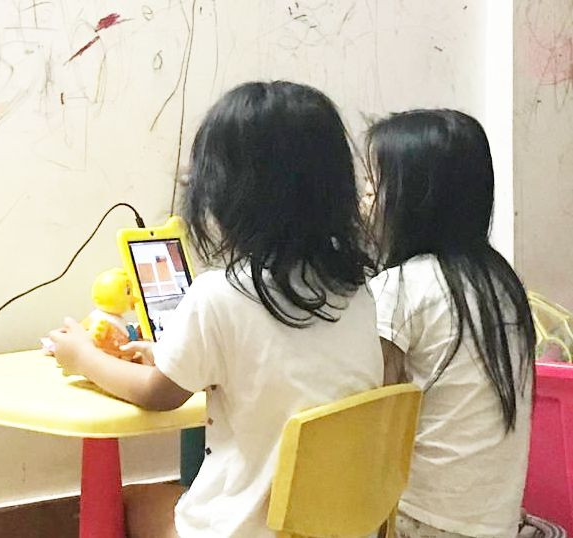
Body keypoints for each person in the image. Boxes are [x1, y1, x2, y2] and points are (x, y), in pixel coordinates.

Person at [48, 81, 384, 537]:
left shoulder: (221, 294)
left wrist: (82, 356)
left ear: (224, 191)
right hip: (340, 528)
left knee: (135, 502)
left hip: (247, 529)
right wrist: (168, 355)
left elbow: (157, 395)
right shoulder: (356, 292)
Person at [366, 109, 536, 538]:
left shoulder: (401, 286)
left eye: (373, 183)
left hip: (424, 520)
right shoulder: (500, 280)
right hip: (496, 519)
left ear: (414, 199)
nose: (363, 198)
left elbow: (373, 420)